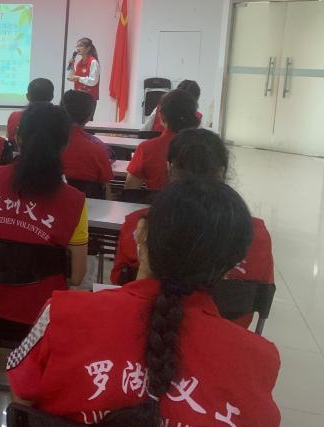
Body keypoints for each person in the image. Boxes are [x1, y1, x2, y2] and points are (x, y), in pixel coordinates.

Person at [7, 176, 281, 427]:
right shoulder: (257, 362)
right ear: (230, 266)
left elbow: (23, 403)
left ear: (141, 233)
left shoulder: (61, 314)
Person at [112, 128, 274, 326]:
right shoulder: (257, 235)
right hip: (226, 336)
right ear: (222, 171)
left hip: (142, 330)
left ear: (170, 169)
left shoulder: (140, 224)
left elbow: (118, 281)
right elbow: (262, 291)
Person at [0, 103, 88, 325]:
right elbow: (76, 275)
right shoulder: (75, 202)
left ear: (18, 137)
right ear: (65, 145)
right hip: (37, 322)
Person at [125, 89, 199, 191]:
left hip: (157, 201)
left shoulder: (147, 149)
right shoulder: (205, 148)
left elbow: (130, 191)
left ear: (162, 115)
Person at [60, 90, 114, 195]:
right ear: (89, 116)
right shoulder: (98, 151)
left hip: (45, 203)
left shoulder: (43, 145)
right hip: (87, 204)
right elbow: (106, 189)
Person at [7, 78, 54, 145]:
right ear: (52, 97)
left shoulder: (14, 117)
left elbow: (11, 142)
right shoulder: (58, 120)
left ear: (27, 96)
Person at [66, 37, 100, 117]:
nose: (78, 48)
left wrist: (78, 78)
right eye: (77, 46)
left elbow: (93, 81)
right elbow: (73, 77)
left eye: (80, 46)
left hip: (89, 98)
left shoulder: (93, 61)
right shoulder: (79, 63)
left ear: (88, 48)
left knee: (87, 121)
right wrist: (72, 66)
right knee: (76, 119)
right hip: (78, 96)